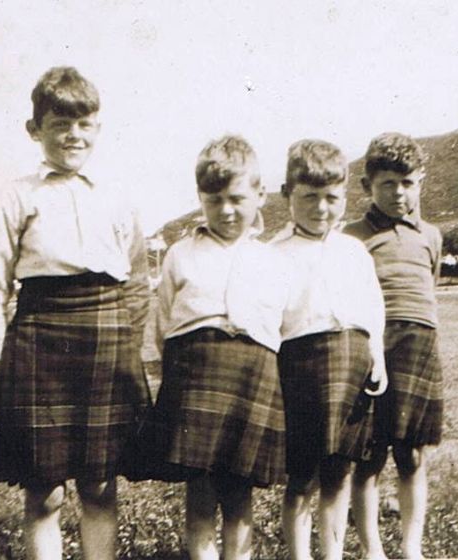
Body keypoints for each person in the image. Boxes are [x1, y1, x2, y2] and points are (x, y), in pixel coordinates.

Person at [0, 66, 150, 560]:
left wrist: (131, 346)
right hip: (40, 333)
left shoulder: (117, 194)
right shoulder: (17, 194)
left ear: (98, 128)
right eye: (60, 123)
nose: (73, 134)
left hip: (106, 338)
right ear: (35, 129)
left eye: (84, 124)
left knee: (100, 485)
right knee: (43, 491)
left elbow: (138, 278)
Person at [151, 135, 289, 560]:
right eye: (214, 201)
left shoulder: (272, 258)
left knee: (240, 485)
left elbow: (280, 323)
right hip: (196, 372)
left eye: (236, 198)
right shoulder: (180, 253)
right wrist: (162, 372)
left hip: (252, 373)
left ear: (260, 194)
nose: (226, 210)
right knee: (201, 482)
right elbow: (162, 321)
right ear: (200, 199)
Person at [271, 139, 387, 560]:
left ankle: (332, 553)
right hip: (301, 367)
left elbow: (373, 308)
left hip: (352, 364)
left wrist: (378, 356)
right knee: (302, 475)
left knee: (339, 470)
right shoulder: (274, 255)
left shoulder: (354, 251)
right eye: (309, 197)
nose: (321, 208)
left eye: (331, 198)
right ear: (287, 194)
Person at [343, 132, 444, 560]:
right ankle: (372, 550)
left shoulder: (431, 236)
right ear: (367, 186)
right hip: (371, 348)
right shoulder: (351, 237)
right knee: (368, 456)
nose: (399, 193)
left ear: (420, 182)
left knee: (413, 454)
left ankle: (412, 547)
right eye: (388, 184)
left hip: (419, 344)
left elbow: (430, 286)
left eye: (408, 183)